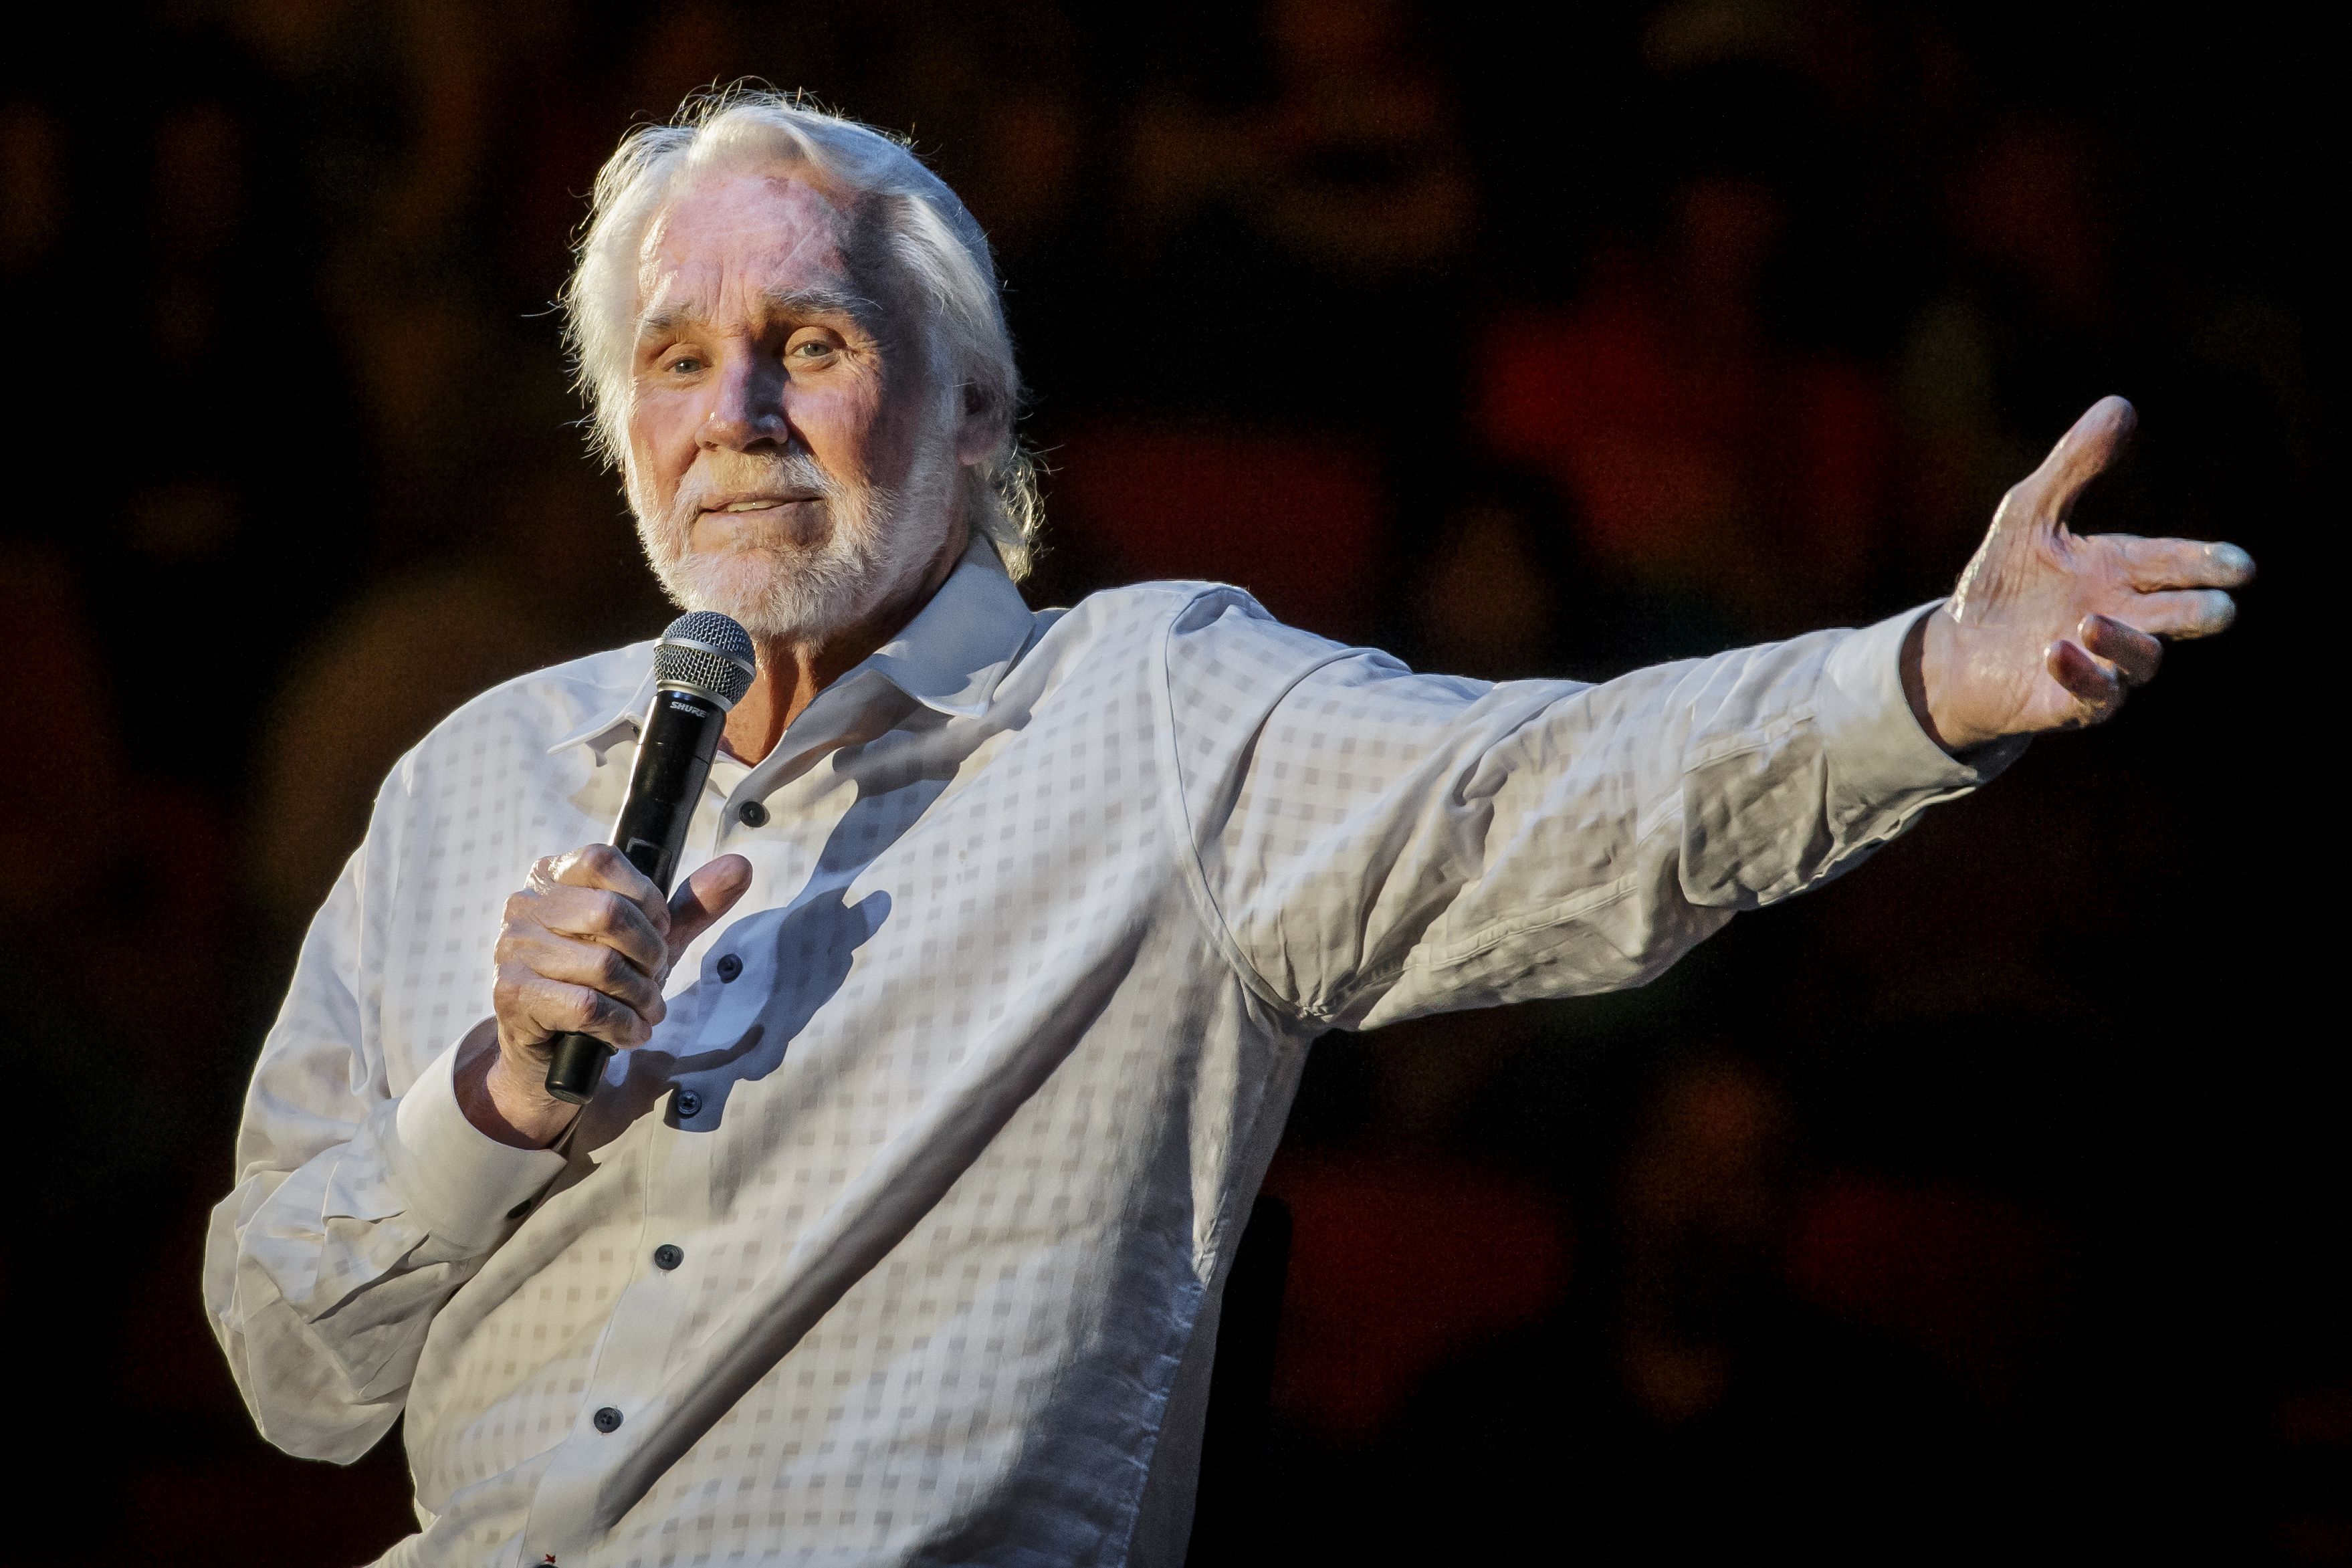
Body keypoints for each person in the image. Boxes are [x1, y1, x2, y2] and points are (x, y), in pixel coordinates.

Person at [203, 91, 2251, 1567]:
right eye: (676, 358)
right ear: (620, 428)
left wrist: (1921, 683)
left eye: (810, 343)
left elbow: (1548, 800)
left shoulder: (1152, 710)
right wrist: (480, 1109)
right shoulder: (472, 772)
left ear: (975, 413)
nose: (734, 407)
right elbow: (294, 1369)